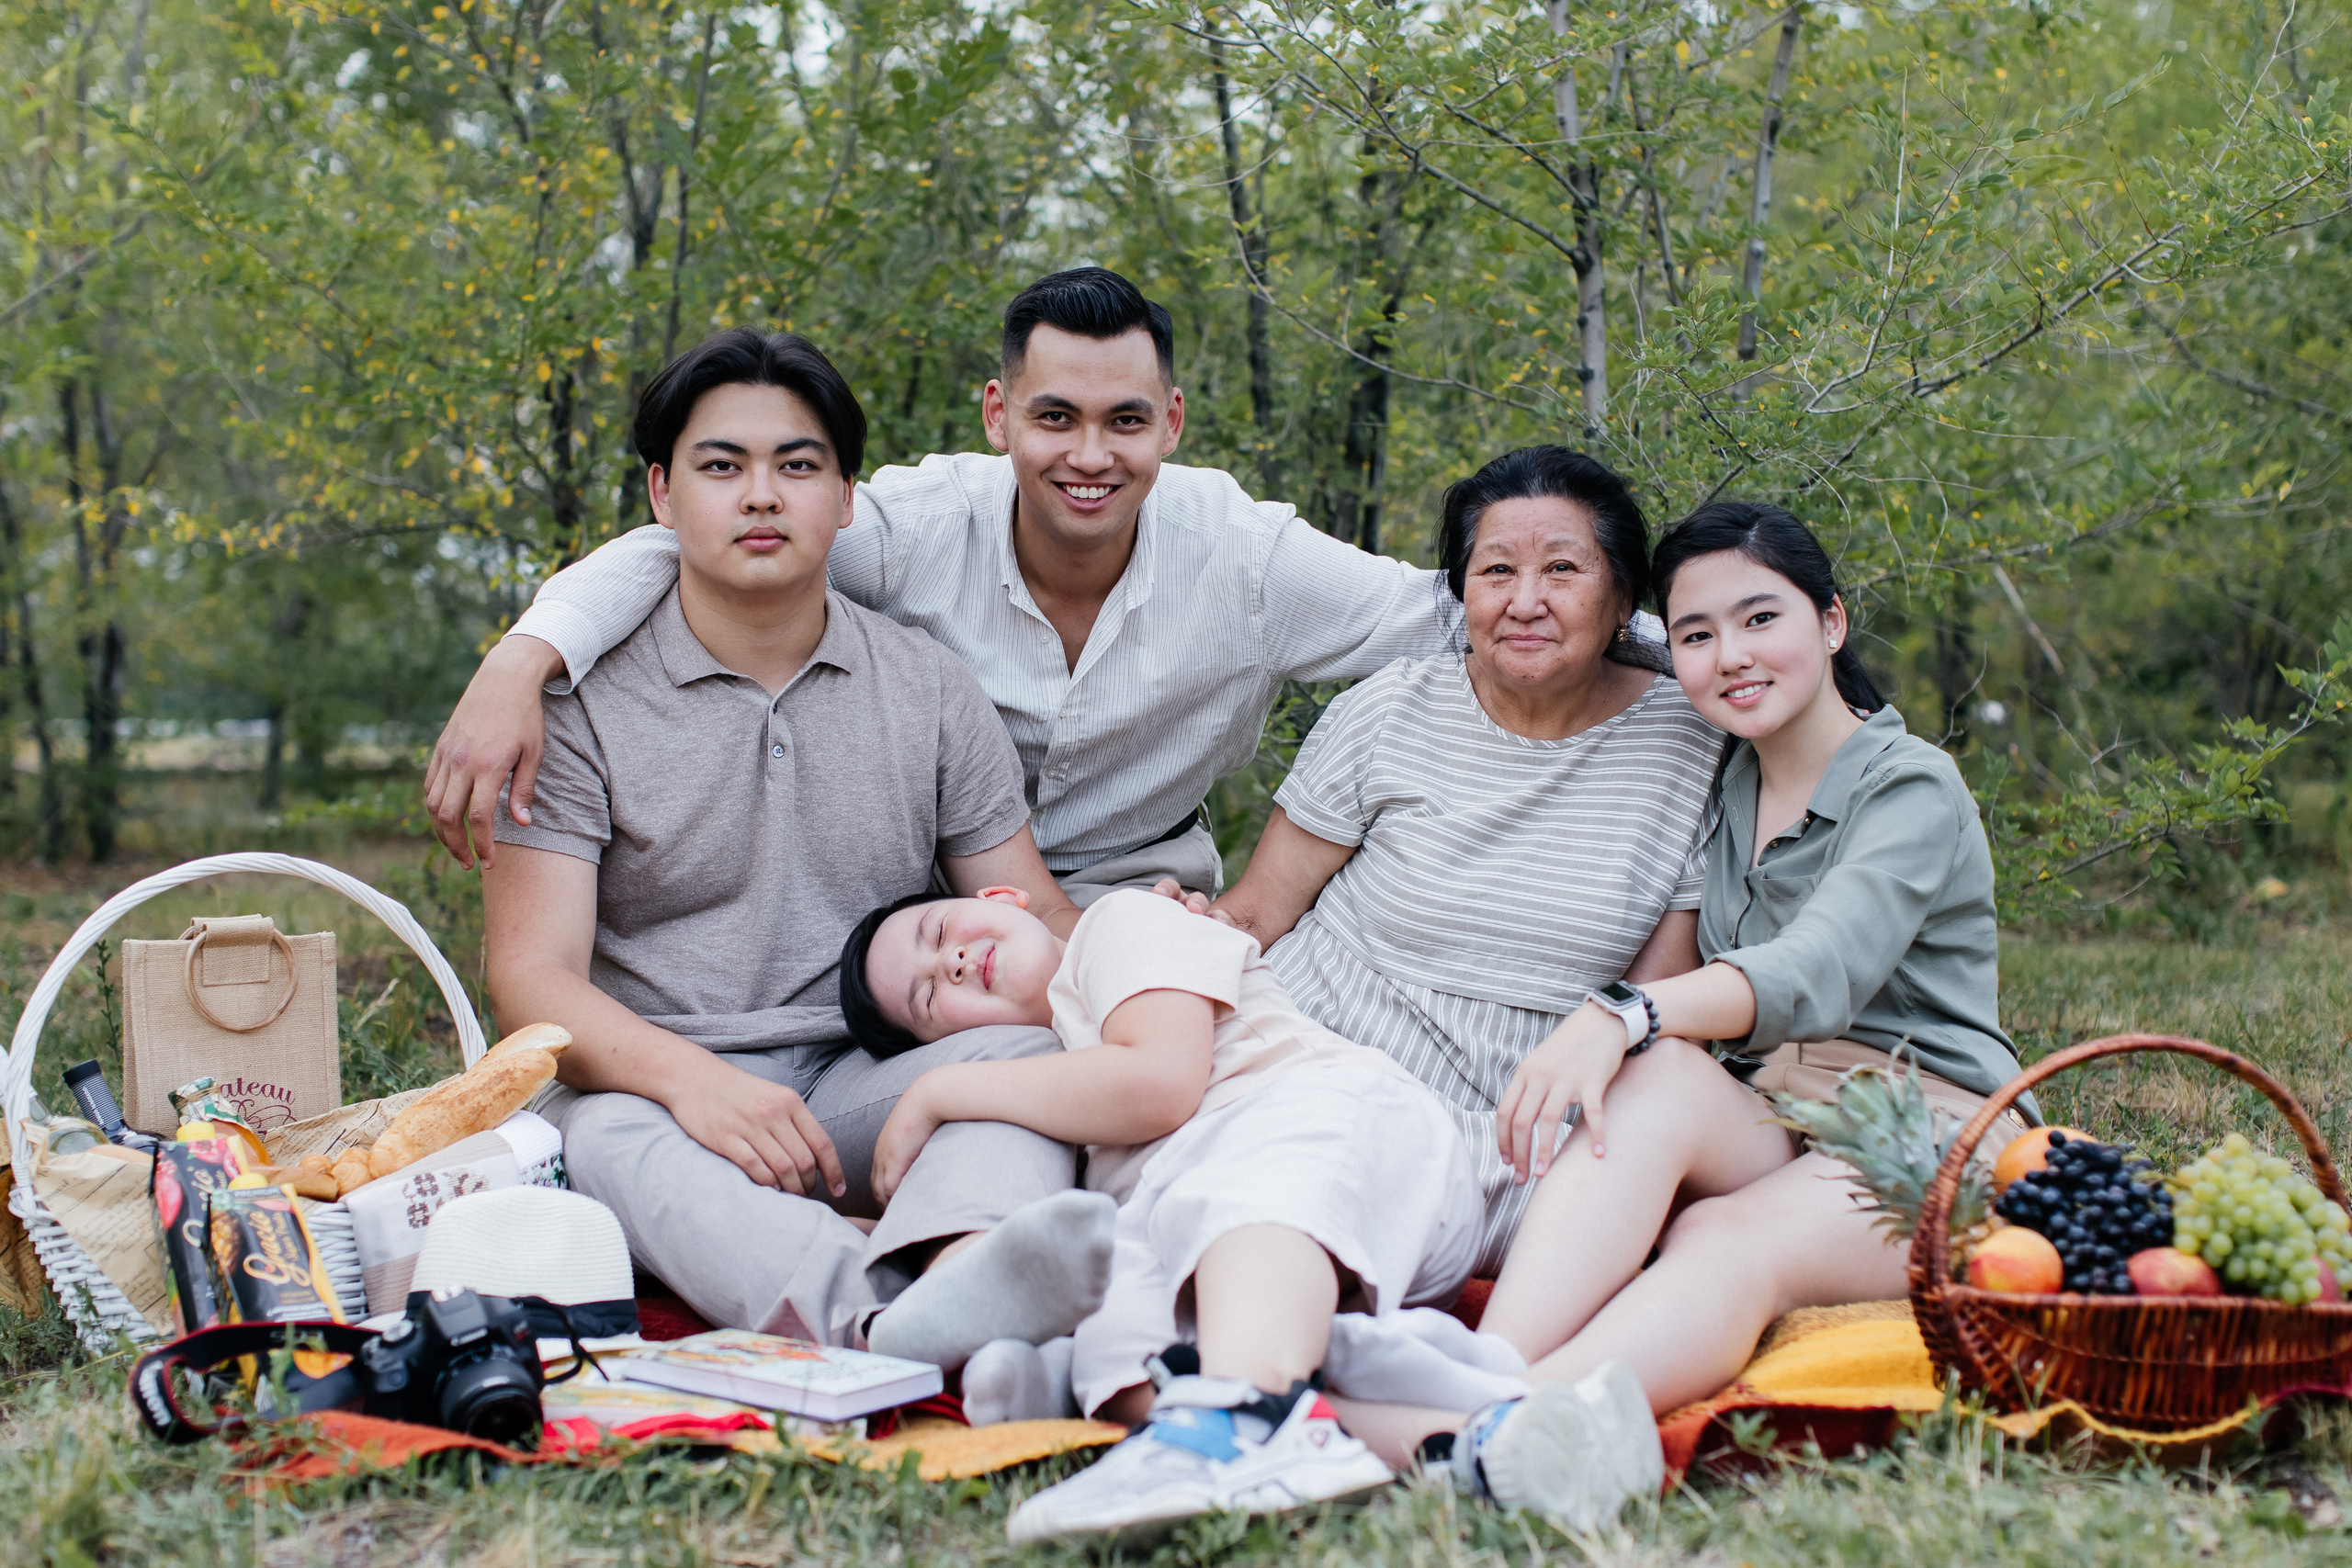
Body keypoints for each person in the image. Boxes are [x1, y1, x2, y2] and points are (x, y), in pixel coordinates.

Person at [1320, 501, 2031, 1531]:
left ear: (1830, 623)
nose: (1728, 657)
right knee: (1651, 1083)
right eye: (1695, 635)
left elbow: (1817, 968)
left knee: (1720, 1231)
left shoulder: (1910, 786)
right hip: (1781, 1121)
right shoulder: (1730, 774)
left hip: (1923, 1134)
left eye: (1759, 620)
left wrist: (1621, 1011)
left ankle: (1511, 1426)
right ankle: (1489, 1370)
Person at [427, 266, 1465, 903]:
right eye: (1055, 417)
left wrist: (1629, 630)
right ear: (996, 415)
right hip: (918, 904)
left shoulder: (1249, 557)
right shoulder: (916, 531)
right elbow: (710, 538)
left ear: (1174, 424)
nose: (1090, 455)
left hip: (1137, 891)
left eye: (1127, 422)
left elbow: (1452, 619)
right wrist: (522, 659)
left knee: (1162, 1096)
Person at [482, 327, 1114, 1361]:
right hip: (657, 1092)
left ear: (847, 498)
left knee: (1035, 1058)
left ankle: (968, 1265)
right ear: (661, 494)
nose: (762, 495)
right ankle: (881, 1313)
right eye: (722, 466)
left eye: (798, 465)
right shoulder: (576, 708)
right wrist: (694, 1082)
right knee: (589, 1138)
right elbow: (531, 978)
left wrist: (1153, 952)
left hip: (861, 1081)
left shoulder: (928, 687)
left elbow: (1030, 908)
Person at [1193, 447, 1724, 1269]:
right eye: (1496, 570)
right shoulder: (1390, 707)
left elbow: (1649, 1006)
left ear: (1623, 595)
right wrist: (1185, 937)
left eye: (1562, 570)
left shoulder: (1691, 745)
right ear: (1461, 592)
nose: (1525, 602)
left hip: (1510, 1123)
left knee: (1346, 1203)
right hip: (1304, 1047)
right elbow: (1259, 912)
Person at [838, 886, 1485, 1544]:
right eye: (927, 997)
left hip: (1330, 1129)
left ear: (1005, 896)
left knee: (1238, 1194)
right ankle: (1458, 1440)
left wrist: (937, 1092)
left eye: (940, 928)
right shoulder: (1047, 1081)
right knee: (1114, 1346)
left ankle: (1235, 1416)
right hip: (1214, 1226)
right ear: (956, 1042)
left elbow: (1160, 1083)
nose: (950, 960)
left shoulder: (1117, 925)